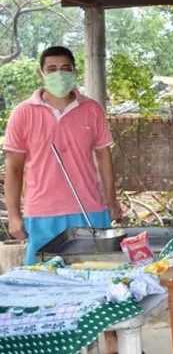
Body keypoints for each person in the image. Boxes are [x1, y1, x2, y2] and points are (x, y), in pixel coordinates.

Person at [3, 46, 123, 353]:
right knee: (46, 287)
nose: (59, 74)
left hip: (90, 211)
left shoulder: (92, 109)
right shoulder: (23, 113)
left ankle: (113, 345)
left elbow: (104, 158)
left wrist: (112, 200)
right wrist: (15, 215)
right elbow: (13, 169)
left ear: (74, 71)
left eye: (65, 68)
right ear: (41, 74)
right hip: (43, 214)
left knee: (101, 283)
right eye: (52, 69)